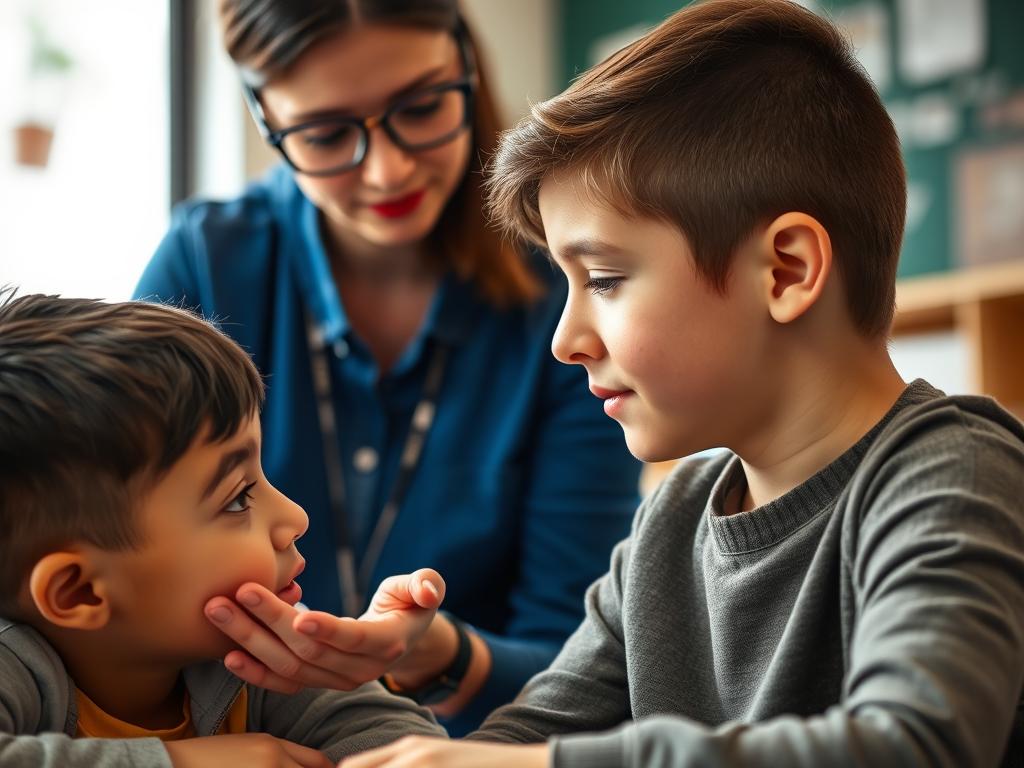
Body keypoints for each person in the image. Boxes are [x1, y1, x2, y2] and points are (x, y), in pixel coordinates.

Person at [332, 0, 1024, 765]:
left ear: (786, 270)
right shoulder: (673, 522)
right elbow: (527, 738)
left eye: (603, 278)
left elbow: (917, 745)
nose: (564, 341)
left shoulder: (953, 475)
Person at [133, 0, 641, 735]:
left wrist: (443, 655)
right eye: (327, 133)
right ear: (264, 118)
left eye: (423, 105)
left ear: (467, 64)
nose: (387, 167)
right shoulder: (204, 264)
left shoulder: (563, 295)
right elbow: (115, 552)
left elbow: (583, 660)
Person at [0, 291, 445, 767]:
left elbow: (408, 748)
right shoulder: (15, 666)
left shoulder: (258, 656)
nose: (296, 517)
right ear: (80, 591)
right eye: (237, 499)